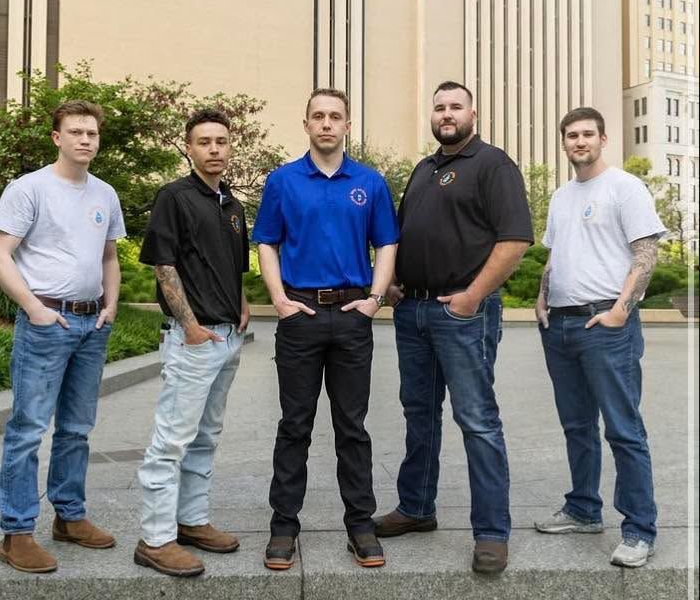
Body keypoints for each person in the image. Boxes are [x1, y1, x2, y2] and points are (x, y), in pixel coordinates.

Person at [375, 81, 532, 575]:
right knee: (419, 414)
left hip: (462, 315)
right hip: (414, 313)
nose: (446, 114)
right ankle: (417, 507)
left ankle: (491, 532)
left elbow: (514, 240)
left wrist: (471, 297)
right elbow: (401, 237)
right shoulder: (424, 169)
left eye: (455, 107)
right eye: (439, 107)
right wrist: (395, 282)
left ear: (473, 113)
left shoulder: (493, 165)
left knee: (478, 421)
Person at [252, 87, 398, 570]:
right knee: (294, 425)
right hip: (301, 315)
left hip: (353, 317)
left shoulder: (370, 183)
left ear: (348, 125)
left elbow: (387, 244)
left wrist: (374, 300)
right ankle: (283, 526)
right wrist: (278, 299)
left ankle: (360, 524)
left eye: (336, 116)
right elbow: (267, 243)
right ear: (307, 124)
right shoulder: (283, 181)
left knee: (351, 426)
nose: (327, 124)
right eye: (319, 116)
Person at [0, 100, 125, 574]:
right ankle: (17, 532)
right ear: (57, 137)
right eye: (76, 132)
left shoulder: (105, 194)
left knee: (77, 430)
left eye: (93, 133)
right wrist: (34, 309)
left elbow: (109, 257)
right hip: (47, 323)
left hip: (92, 326)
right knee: (27, 430)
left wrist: (110, 305)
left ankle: (69, 516)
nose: (86, 140)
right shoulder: (28, 189)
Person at [533, 107, 664, 568]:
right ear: (564, 142)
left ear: (603, 139)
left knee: (624, 430)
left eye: (587, 134)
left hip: (605, 325)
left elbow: (646, 253)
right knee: (577, 426)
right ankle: (584, 509)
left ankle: (639, 528)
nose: (579, 141)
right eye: (571, 135)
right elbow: (556, 254)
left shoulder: (625, 188)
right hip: (561, 325)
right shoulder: (561, 196)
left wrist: (619, 312)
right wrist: (541, 297)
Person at [133, 109, 250, 577]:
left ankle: (192, 520)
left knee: (205, 436)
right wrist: (191, 326)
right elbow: (164, 266)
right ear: (189, 147)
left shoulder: (233, 206)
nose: (214, 149)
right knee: (171, 441)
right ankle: (156, 539)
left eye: (221, 141)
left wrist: (241, 307)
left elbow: (236, 267)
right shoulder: (174, 197)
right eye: (204, 142)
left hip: (227, 337)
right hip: (194, 339)